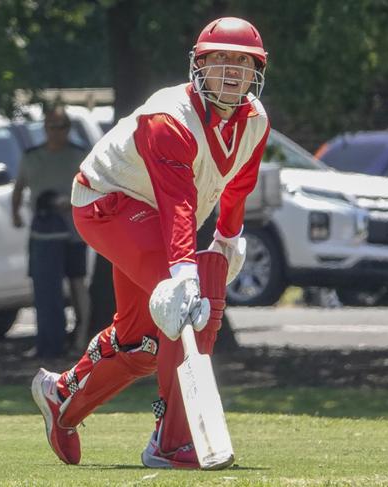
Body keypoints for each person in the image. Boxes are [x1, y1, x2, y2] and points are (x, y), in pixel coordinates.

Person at [31, 16, 269, 469]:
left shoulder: (255, 120)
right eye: (219, 59)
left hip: (154, 211)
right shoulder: (169, 118)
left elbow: (238, 185)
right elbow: (177, 201)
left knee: (142, 344)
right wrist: (183, 271)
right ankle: (172, 441)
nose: (232, 71)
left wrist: (228, 236)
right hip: (110, 202)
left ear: (256, 70)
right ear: (198, 66)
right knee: (191, 305)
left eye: (242, 61)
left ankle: (62, 397)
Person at [12, 105, 91, 358]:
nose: (57, 132)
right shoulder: (31, 156)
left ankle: (81, 337)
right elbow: (19, 188)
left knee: (77, 283)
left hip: (73, 232)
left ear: (68, 128)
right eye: (51, 127)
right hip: (43, 233)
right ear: (44, 128)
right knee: (44, 286)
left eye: (62, 127)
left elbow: (94, 190)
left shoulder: (79, 156)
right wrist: (15, 213)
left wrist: (69, 203)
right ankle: (45, 340)